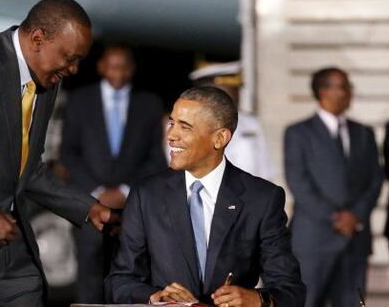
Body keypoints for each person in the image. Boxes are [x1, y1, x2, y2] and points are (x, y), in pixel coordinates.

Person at [106, 86, 306, 307]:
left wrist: (256, 299)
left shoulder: (262, 199)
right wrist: (155, 297)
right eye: (172, 123)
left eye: (185, 127)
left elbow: (291, 290)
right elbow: (120, 281)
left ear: (220, 138)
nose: (171, 135)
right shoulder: (146, 195)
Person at [0, 0, 115, 306]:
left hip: (14, 257)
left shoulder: (49, 79)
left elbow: (28, 168)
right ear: (37, 39)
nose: (75, 69)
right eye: (69, 57)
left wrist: (89, 208)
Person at [60, 45, 167, 303]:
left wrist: (124, 191)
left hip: (132, 207)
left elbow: (157, 158)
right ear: (100, 67)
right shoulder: (79, 101)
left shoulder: (150, 104)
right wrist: (98, 193)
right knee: (89, 271)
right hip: (89, 205)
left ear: (132, 69)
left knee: (130, 274)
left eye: (123, 66)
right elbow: (68, 154)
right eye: (112, 65)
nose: (117, 72)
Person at [284, 67, 383, 307]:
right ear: (323, 91)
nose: (350, 92)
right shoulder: (299, 133)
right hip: (314, 240)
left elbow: (375, 179)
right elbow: (299, 182)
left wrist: (355, 217)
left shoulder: (364, 133)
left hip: (355, 239)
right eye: (344, 86)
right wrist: (335, 218)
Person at [188, 61, 275, 180]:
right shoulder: (185, 125)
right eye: (230, 89)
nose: (237, 94)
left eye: (237, 89)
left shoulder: (251, 124)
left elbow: (265, 171)